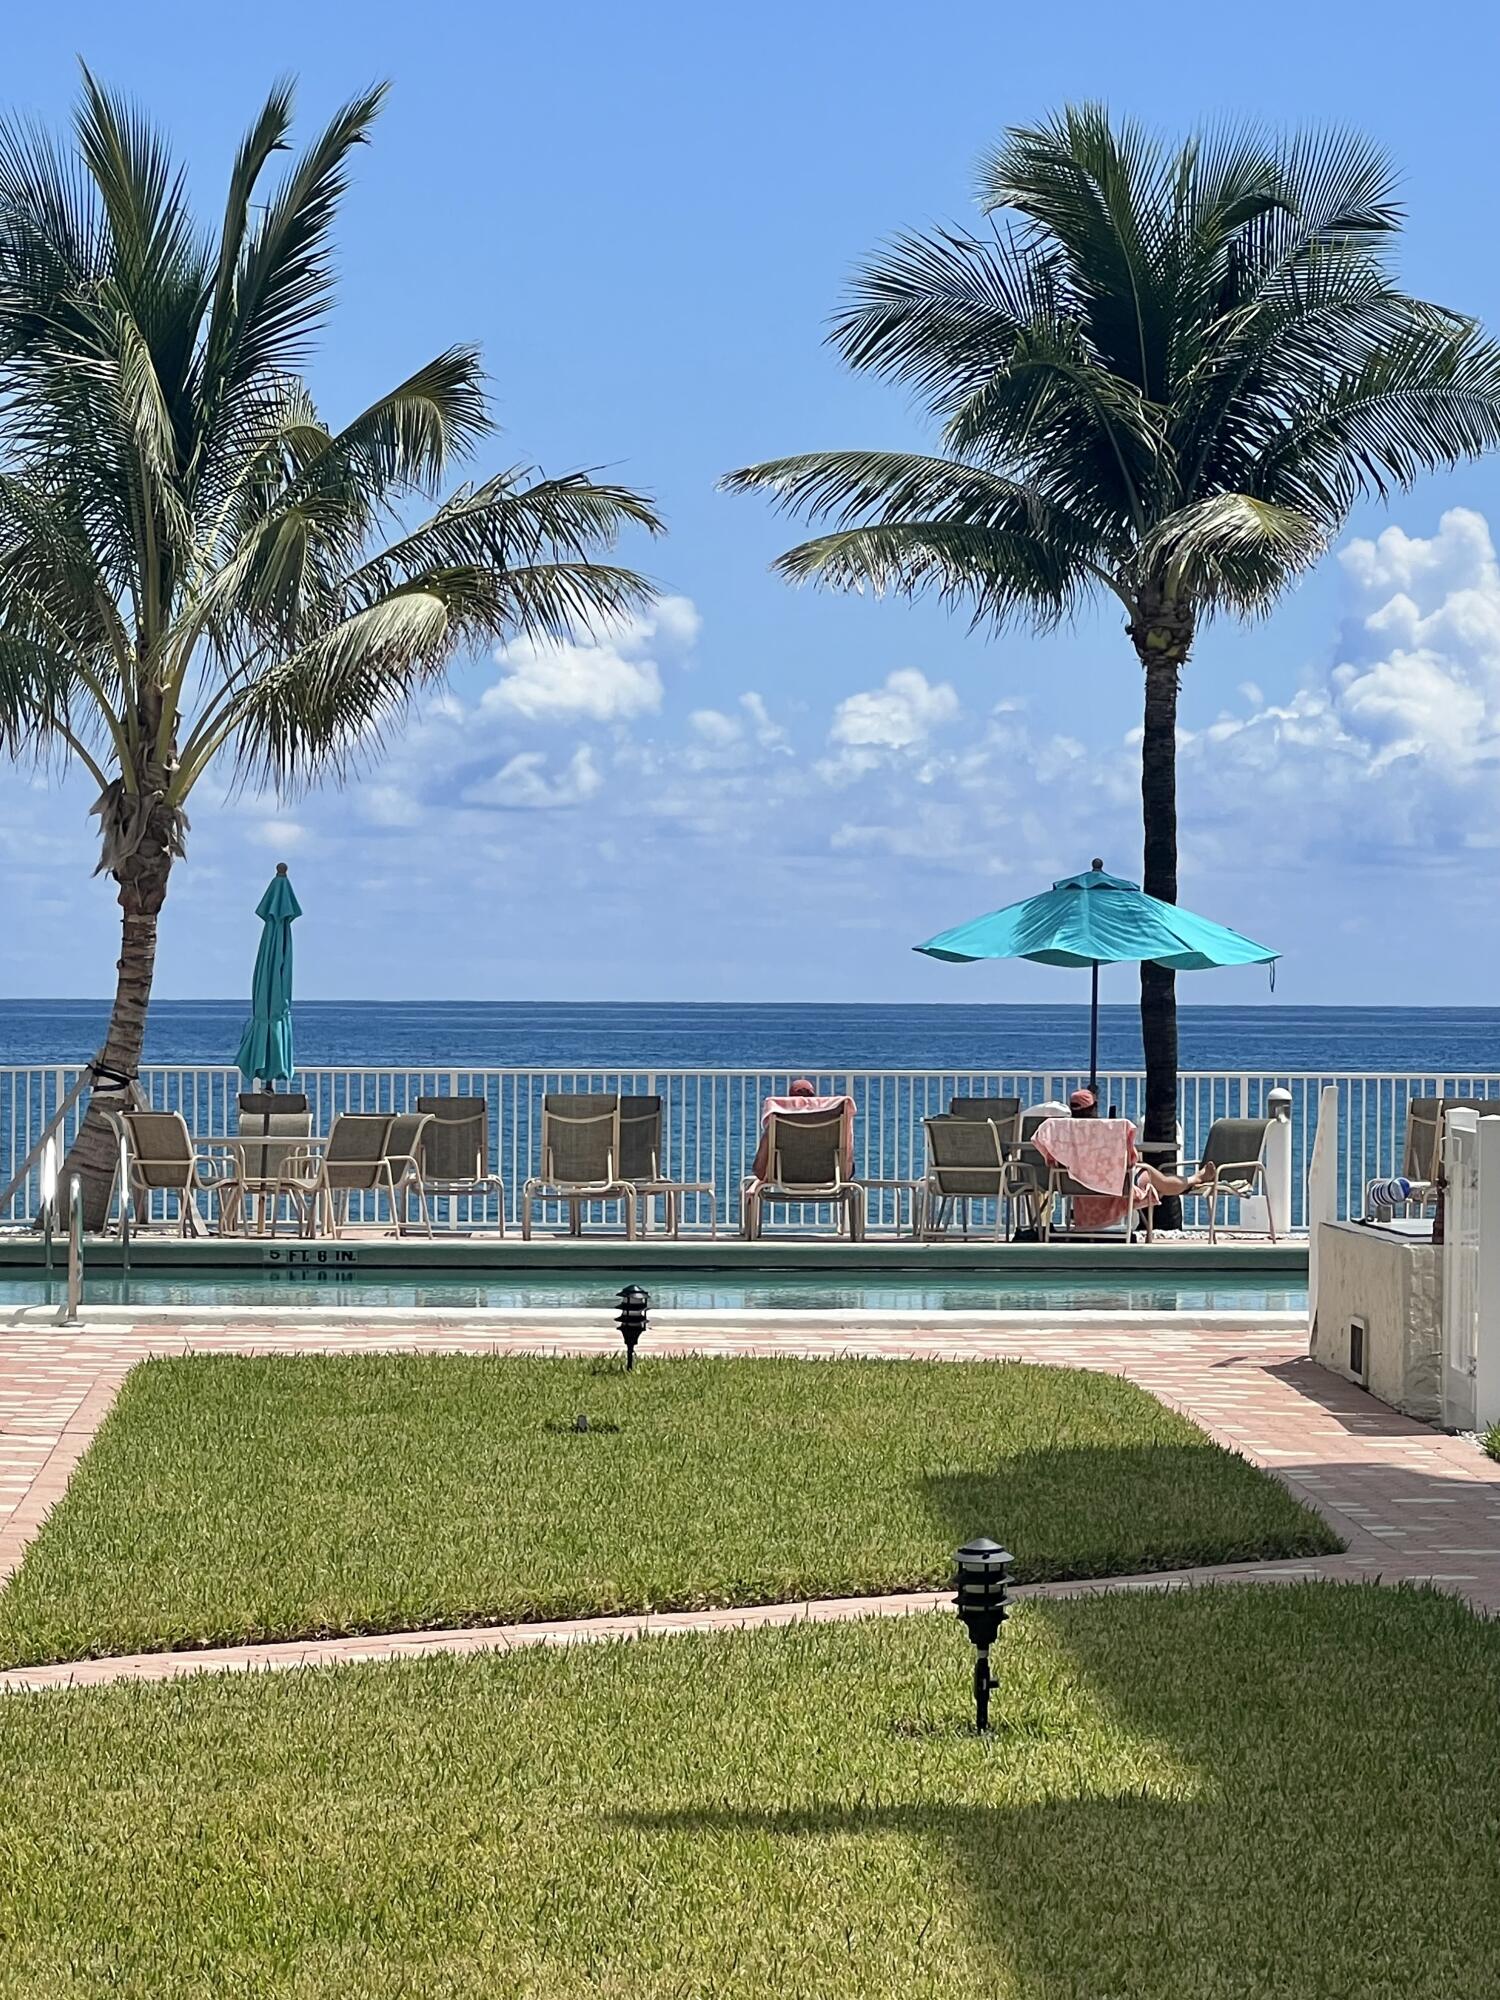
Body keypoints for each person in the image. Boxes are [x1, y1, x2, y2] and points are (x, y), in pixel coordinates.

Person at [1068, 1087, 1207, 1199]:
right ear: (1094, 1107)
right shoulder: (1106, 1130)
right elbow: (1131, 1158)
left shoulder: (1064, 1131)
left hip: (1076, 1183)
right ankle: (1194, 1179)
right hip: (1114, 1185)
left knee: (1153, 1181)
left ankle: (1192, 1180)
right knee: (1154, 1177)